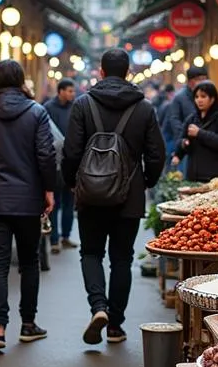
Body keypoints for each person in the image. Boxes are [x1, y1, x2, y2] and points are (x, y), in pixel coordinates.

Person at [62, 48, 166, 345]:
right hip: (129, 197)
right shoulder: (144, 108)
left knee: (91, 253)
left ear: (102, 72)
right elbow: (156, 154)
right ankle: (116, 326)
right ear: (129, 72)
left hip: (91, 195)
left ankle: (98, 307)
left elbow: (70, 151)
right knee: (122, 259)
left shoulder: (83, 104)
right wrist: (145, 182)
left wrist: (72, 183)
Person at [0, 60, 56, 351]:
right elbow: (46, 155)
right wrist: (49, 190)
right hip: (28, 200)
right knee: (29, 263)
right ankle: (28, 325)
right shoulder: (37, 112)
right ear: (21, 82)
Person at [171, 81, 218, 182]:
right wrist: (181, 148)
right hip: (193, 178)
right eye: (196, 97)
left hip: (216, 179)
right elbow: (181, 139)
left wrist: (200, 133)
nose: (199, 100)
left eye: (203, 96)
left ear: (212, 99)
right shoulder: (192, 119)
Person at [44, 78, 77, 253]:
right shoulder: (48, 108)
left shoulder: (76, 107)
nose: (73, 94)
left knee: (69, 202)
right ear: (61, 91)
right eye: (70, 91)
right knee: (54, 203)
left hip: (71, 161)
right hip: (54, 162)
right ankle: (54, 238)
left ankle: (66, 236)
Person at [161, 66, 209, 167]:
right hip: (183, 144)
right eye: (200, 80)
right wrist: (184, 139)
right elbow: (174, 120)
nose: (204, 82)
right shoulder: (179, 98)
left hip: (202, 143)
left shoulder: (207, 96)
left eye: (205, 79)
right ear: (191, 82)